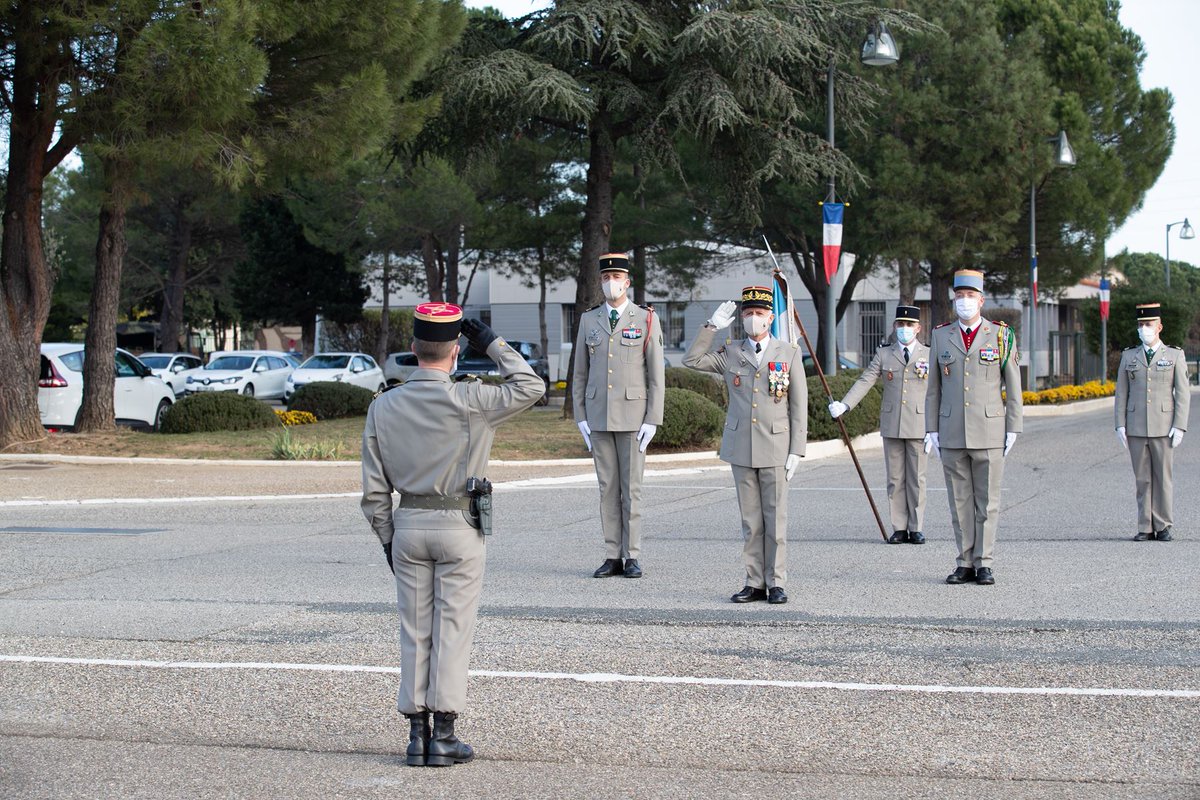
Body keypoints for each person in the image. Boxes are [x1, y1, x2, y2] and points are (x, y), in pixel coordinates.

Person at [361, 302, 544, 767]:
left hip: (407, 526)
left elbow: (374, 491)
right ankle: (443, 734)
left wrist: (388, 538)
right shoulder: (471, 399)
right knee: (453, 630)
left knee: (414, 630)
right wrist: (493, 342)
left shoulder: (383, 405)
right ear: (456, 350)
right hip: (460, 526)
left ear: (413, 349)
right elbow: (531, 386)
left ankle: (416, 734)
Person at [683, 286, 806, 604]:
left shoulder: (788, 352)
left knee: (775, 519)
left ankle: (776, 582)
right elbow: (692, 360)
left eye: (760, 314)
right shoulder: (732, 351)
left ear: (769, 318)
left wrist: (797, 449)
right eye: (748, 313)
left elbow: (798, 405)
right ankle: (754, 581)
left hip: (776, 446)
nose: (754, 319)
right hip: (741, 445)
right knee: (751, 521)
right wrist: (711, 327)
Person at [924, 269, 1022, 586]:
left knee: (988, 502)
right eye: (960, 296)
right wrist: (931, 429)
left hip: (990, 430)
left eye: (970, 296)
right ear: (955, 299)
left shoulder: (1001, 335)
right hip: (952, 430)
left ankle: (985, 562)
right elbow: (934, 389)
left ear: (982, 300)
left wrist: (1013, 427)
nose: (965, 301)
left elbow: (1013, 385)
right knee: (959, 501)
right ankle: (964, 561)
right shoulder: (941, 335)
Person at [572, 252, 666, 579]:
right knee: (607, 488)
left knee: (632, 489)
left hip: (633, 416)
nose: (611, 283)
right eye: (606, 278)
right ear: (601, 282)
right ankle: (612, 554)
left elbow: (656, 375)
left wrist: (653, 418)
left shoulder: (645, 319)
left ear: (627, 282)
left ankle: (632, 555)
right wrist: (580, 416)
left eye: (617, 278)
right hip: (598, 415)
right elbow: (580, 373)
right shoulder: (589, 319)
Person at [829, 305, 931, 544]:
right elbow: (866, 380)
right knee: (895, 478)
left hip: (919, 423)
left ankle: (916, 527)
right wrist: (845, 405)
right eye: (900, 324)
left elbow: (938, 390)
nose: (904, 329)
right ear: (894, 327)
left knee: (917, 478)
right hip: (892, 422)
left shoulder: (929, 354)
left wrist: (935, 425)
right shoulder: (884, 353)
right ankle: (899, 526)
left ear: (918, 328)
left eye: (909, 325)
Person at [1114, 302, 1189, 541]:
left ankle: (1163, 525)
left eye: (1149, 324)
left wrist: (1179, 425)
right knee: (1142, 478)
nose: (1144, 328)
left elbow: (1183, 393)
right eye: (1141, 324)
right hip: (1136, 425)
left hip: (1164, 426)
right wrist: (1120, 423)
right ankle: (1145, 526)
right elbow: (1121, 393)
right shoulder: (1129, 355)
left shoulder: (1175, 355)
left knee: (1163, 478)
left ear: (1160, 327)